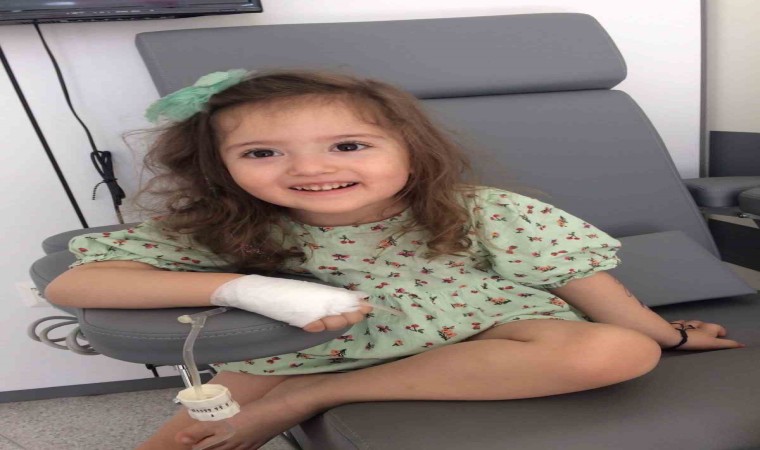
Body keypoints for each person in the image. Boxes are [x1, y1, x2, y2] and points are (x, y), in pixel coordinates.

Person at [45, 69, 745, 450]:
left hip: (480, 332)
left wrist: (669, 336)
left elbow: (588, 283)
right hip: (301, 351)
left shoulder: (482, 210)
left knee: (620, 351)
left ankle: (313, 401)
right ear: (220, 166)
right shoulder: (221, 228)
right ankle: (303, 388)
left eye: (348, 146)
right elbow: (78, 284)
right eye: (262, 152)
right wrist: (247, 289)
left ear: (410, 150)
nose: (310, 168)